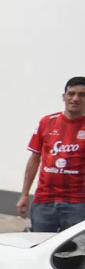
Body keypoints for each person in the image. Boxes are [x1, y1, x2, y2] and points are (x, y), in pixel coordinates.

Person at [19, 76, 85, 232]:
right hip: (44, 201)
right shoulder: (46, 122)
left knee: (73, 252)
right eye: (71, 93)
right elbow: (34, 159)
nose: (75, 98)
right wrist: (24, 194)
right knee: (40, 247)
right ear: (64, 96)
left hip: (78, 203)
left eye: (82, 95)